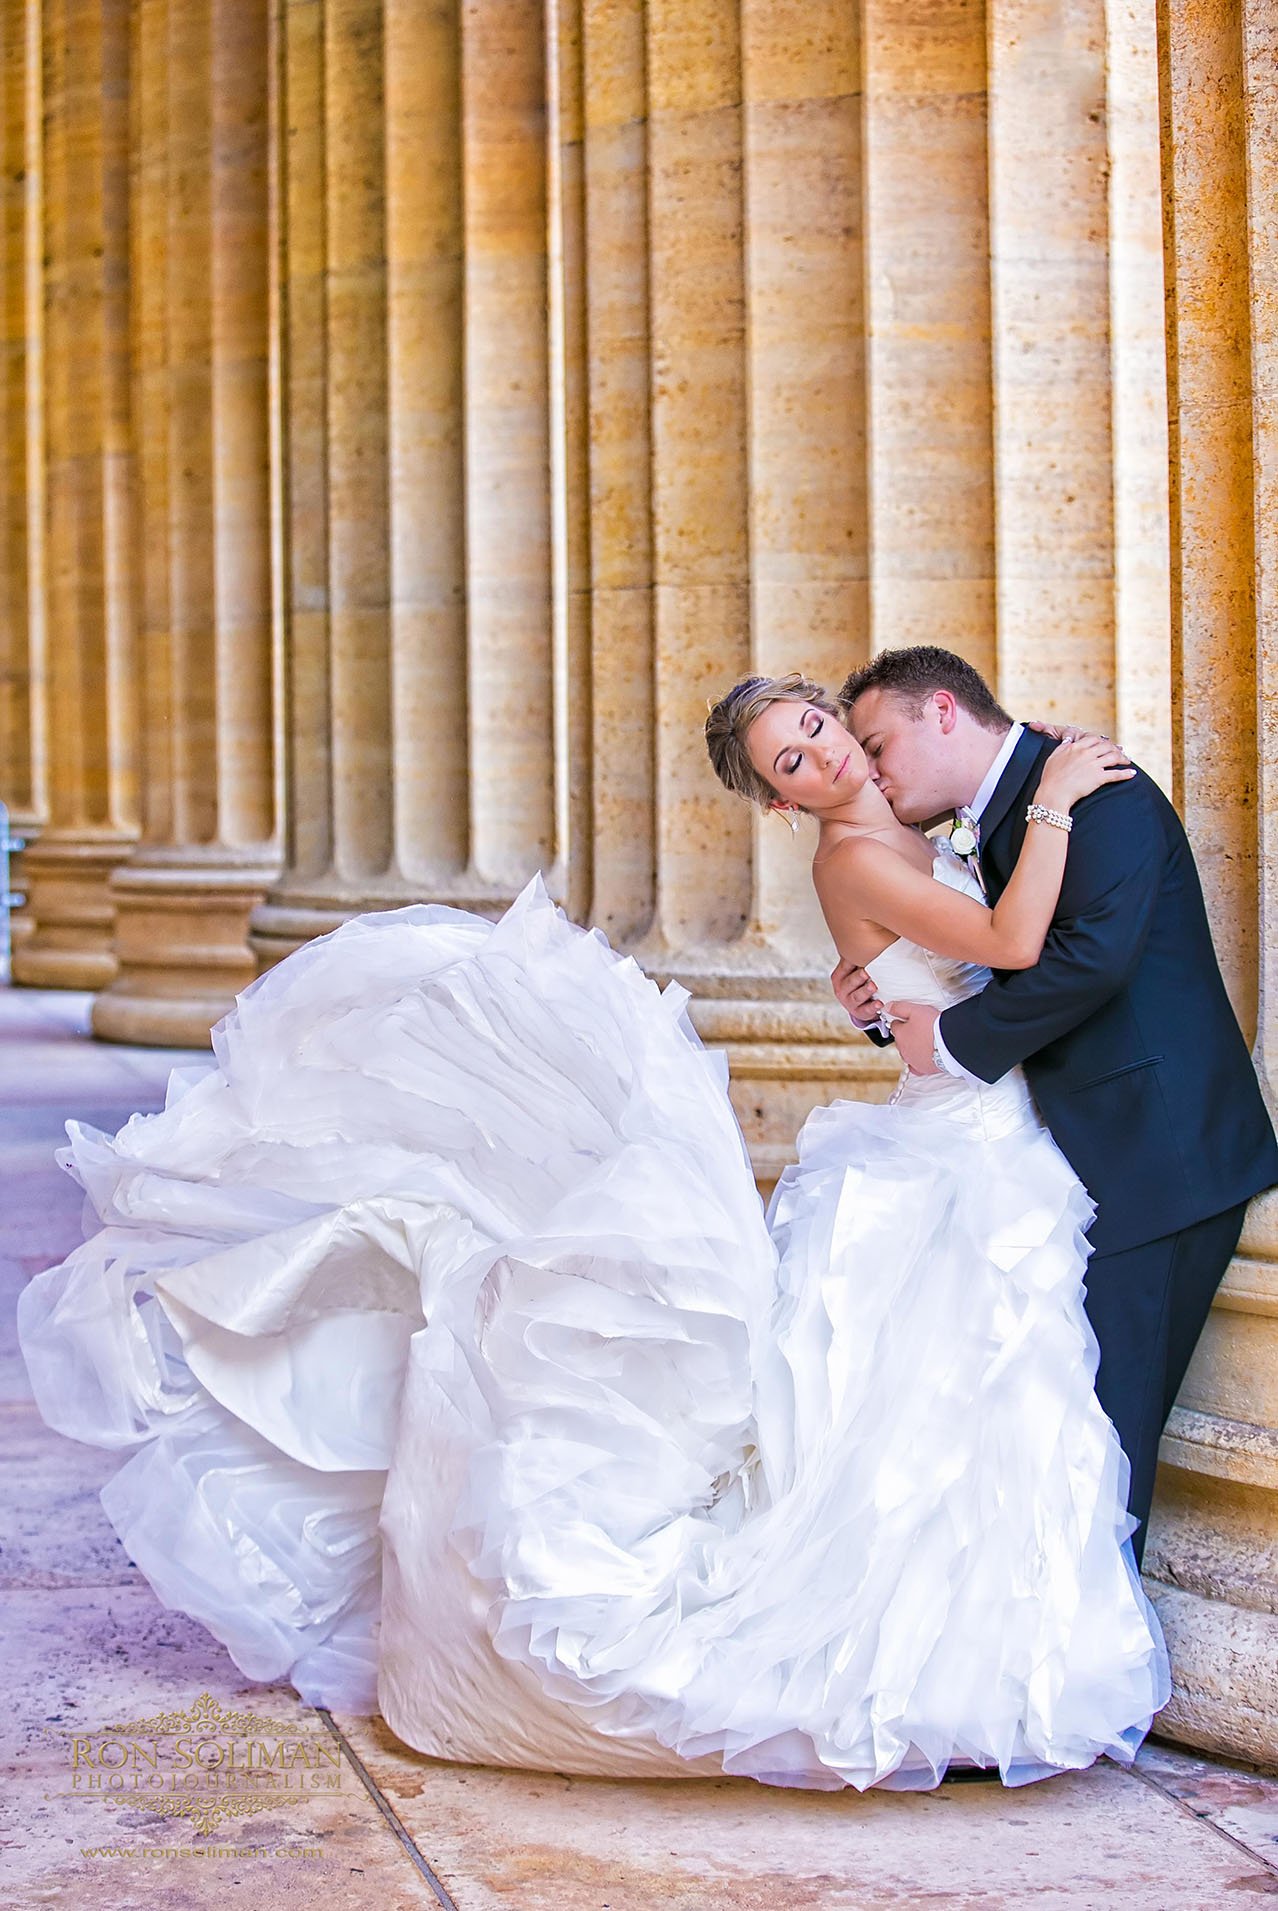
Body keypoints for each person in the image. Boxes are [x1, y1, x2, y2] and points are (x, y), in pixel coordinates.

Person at [18, 673, 1169, 1794]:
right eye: (791, 760)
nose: (821, 753)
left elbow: (955, 950)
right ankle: (939, 1666)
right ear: (780, 799)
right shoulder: (859, 854)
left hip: (980, 1124)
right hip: (954, 1139)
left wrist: (888, 973)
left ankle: (981, 1646)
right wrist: (1061, 796)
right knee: (946, 1394)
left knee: (971, 1399)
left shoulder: (919, 831)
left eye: (816, 726)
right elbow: (1014, 946)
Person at [834, 646, 1278, 1568]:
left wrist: (950, 1046)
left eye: (879, 745)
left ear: (944, 711)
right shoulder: (1003, 809)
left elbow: (1090, 961)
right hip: (1073, 1161)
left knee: (1104, 1441)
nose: (871, 771)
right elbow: (969, 960)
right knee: (1056, 1432)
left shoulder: (1095, 792)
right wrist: (883, 1004)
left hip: (1161, 1162)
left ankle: (1096, 1694)